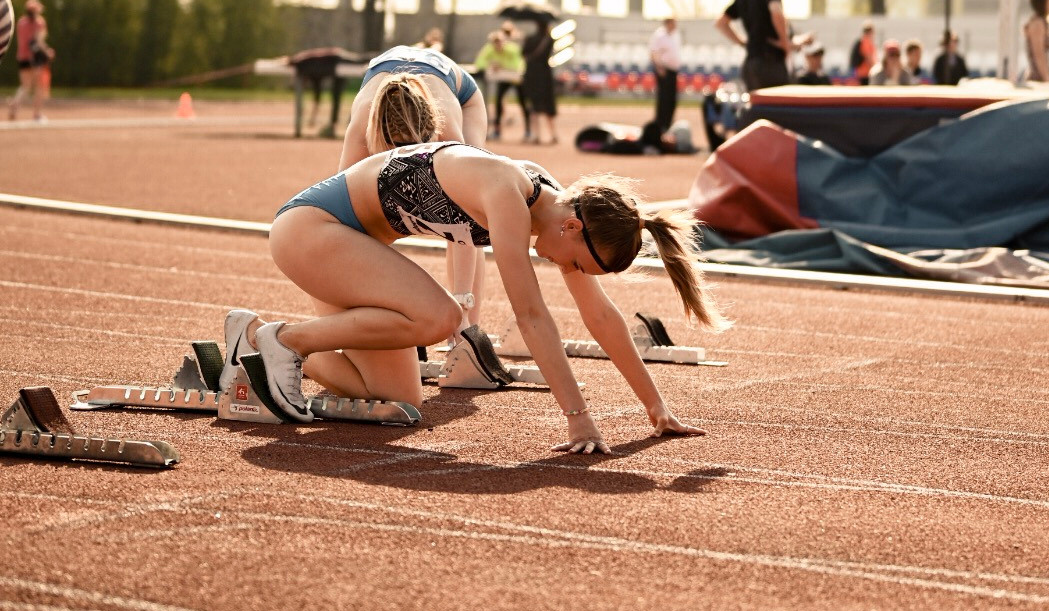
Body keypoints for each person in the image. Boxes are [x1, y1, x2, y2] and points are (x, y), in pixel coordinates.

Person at [227, 73, 713, 454]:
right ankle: (283, 342)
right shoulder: (508, 193)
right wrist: (578, 414)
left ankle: (250, 347)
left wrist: (656, 409)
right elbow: (531, 314)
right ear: (574, 228)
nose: (575, 273)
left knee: (399, 399)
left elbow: (601, 316)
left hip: (349, 248)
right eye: (584, 265)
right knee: (440, 317)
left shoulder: (555, 215)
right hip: (312, 230)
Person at [339, 42, 490, 316]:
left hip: (463, 97)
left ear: (432, 133)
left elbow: (466, 222)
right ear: (379, 138)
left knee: (464, 208)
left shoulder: (448, 129)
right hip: (398, 86)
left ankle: (470, 331)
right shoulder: (362, 126)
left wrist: (460, 304)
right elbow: (344, 211)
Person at [715, 0, 798, 91]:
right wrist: (785, 43)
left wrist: (743, 42)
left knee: (758, 109)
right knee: (777, 109)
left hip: (751, 63)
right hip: (770, 62)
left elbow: (721, 23)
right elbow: (776, 13)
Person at [474, 23, 529, 139]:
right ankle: (497, 130)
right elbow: (479, 62)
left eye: (499, 42)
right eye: (495, 42)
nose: (497, 45)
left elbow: (517, 64)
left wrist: (501, 65)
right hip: (503, 79)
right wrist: (490, 65)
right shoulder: (489, 49)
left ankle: (528, 130)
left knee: (523, 103)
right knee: (498, 102)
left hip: (516, 79)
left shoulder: (513, 49)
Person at [9, 0, 54, 122]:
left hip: (22, 57)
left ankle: (15, 104)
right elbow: (38, 42)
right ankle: (37, 114)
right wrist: (48, 52)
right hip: (35, 59)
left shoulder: (21, 23)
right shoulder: (39, 23)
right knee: (39, 87)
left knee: (25, 86)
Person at [522, 19, 558, 144]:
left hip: (531, 74)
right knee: (548, 105)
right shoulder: (549, 39)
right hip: (545, 74)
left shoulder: (530, 38)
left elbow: (523, 54)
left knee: (534, 106)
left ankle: (536, 135)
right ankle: (553, 134)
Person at [648, 16, 681, 136]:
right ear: (668, 23)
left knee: (671, 98)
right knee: (664, 98)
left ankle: (668, 122)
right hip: (663, 70)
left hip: (673, 70)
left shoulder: (675, 35)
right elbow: (653, 52)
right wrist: (659, 67)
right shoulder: (659, 35)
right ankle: (660, 123)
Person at [1023, 0, 1049, 83]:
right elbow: (1039, 53)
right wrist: (1046, 79)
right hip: (1038, 78)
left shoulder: (1042, 22)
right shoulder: (1038, 24)